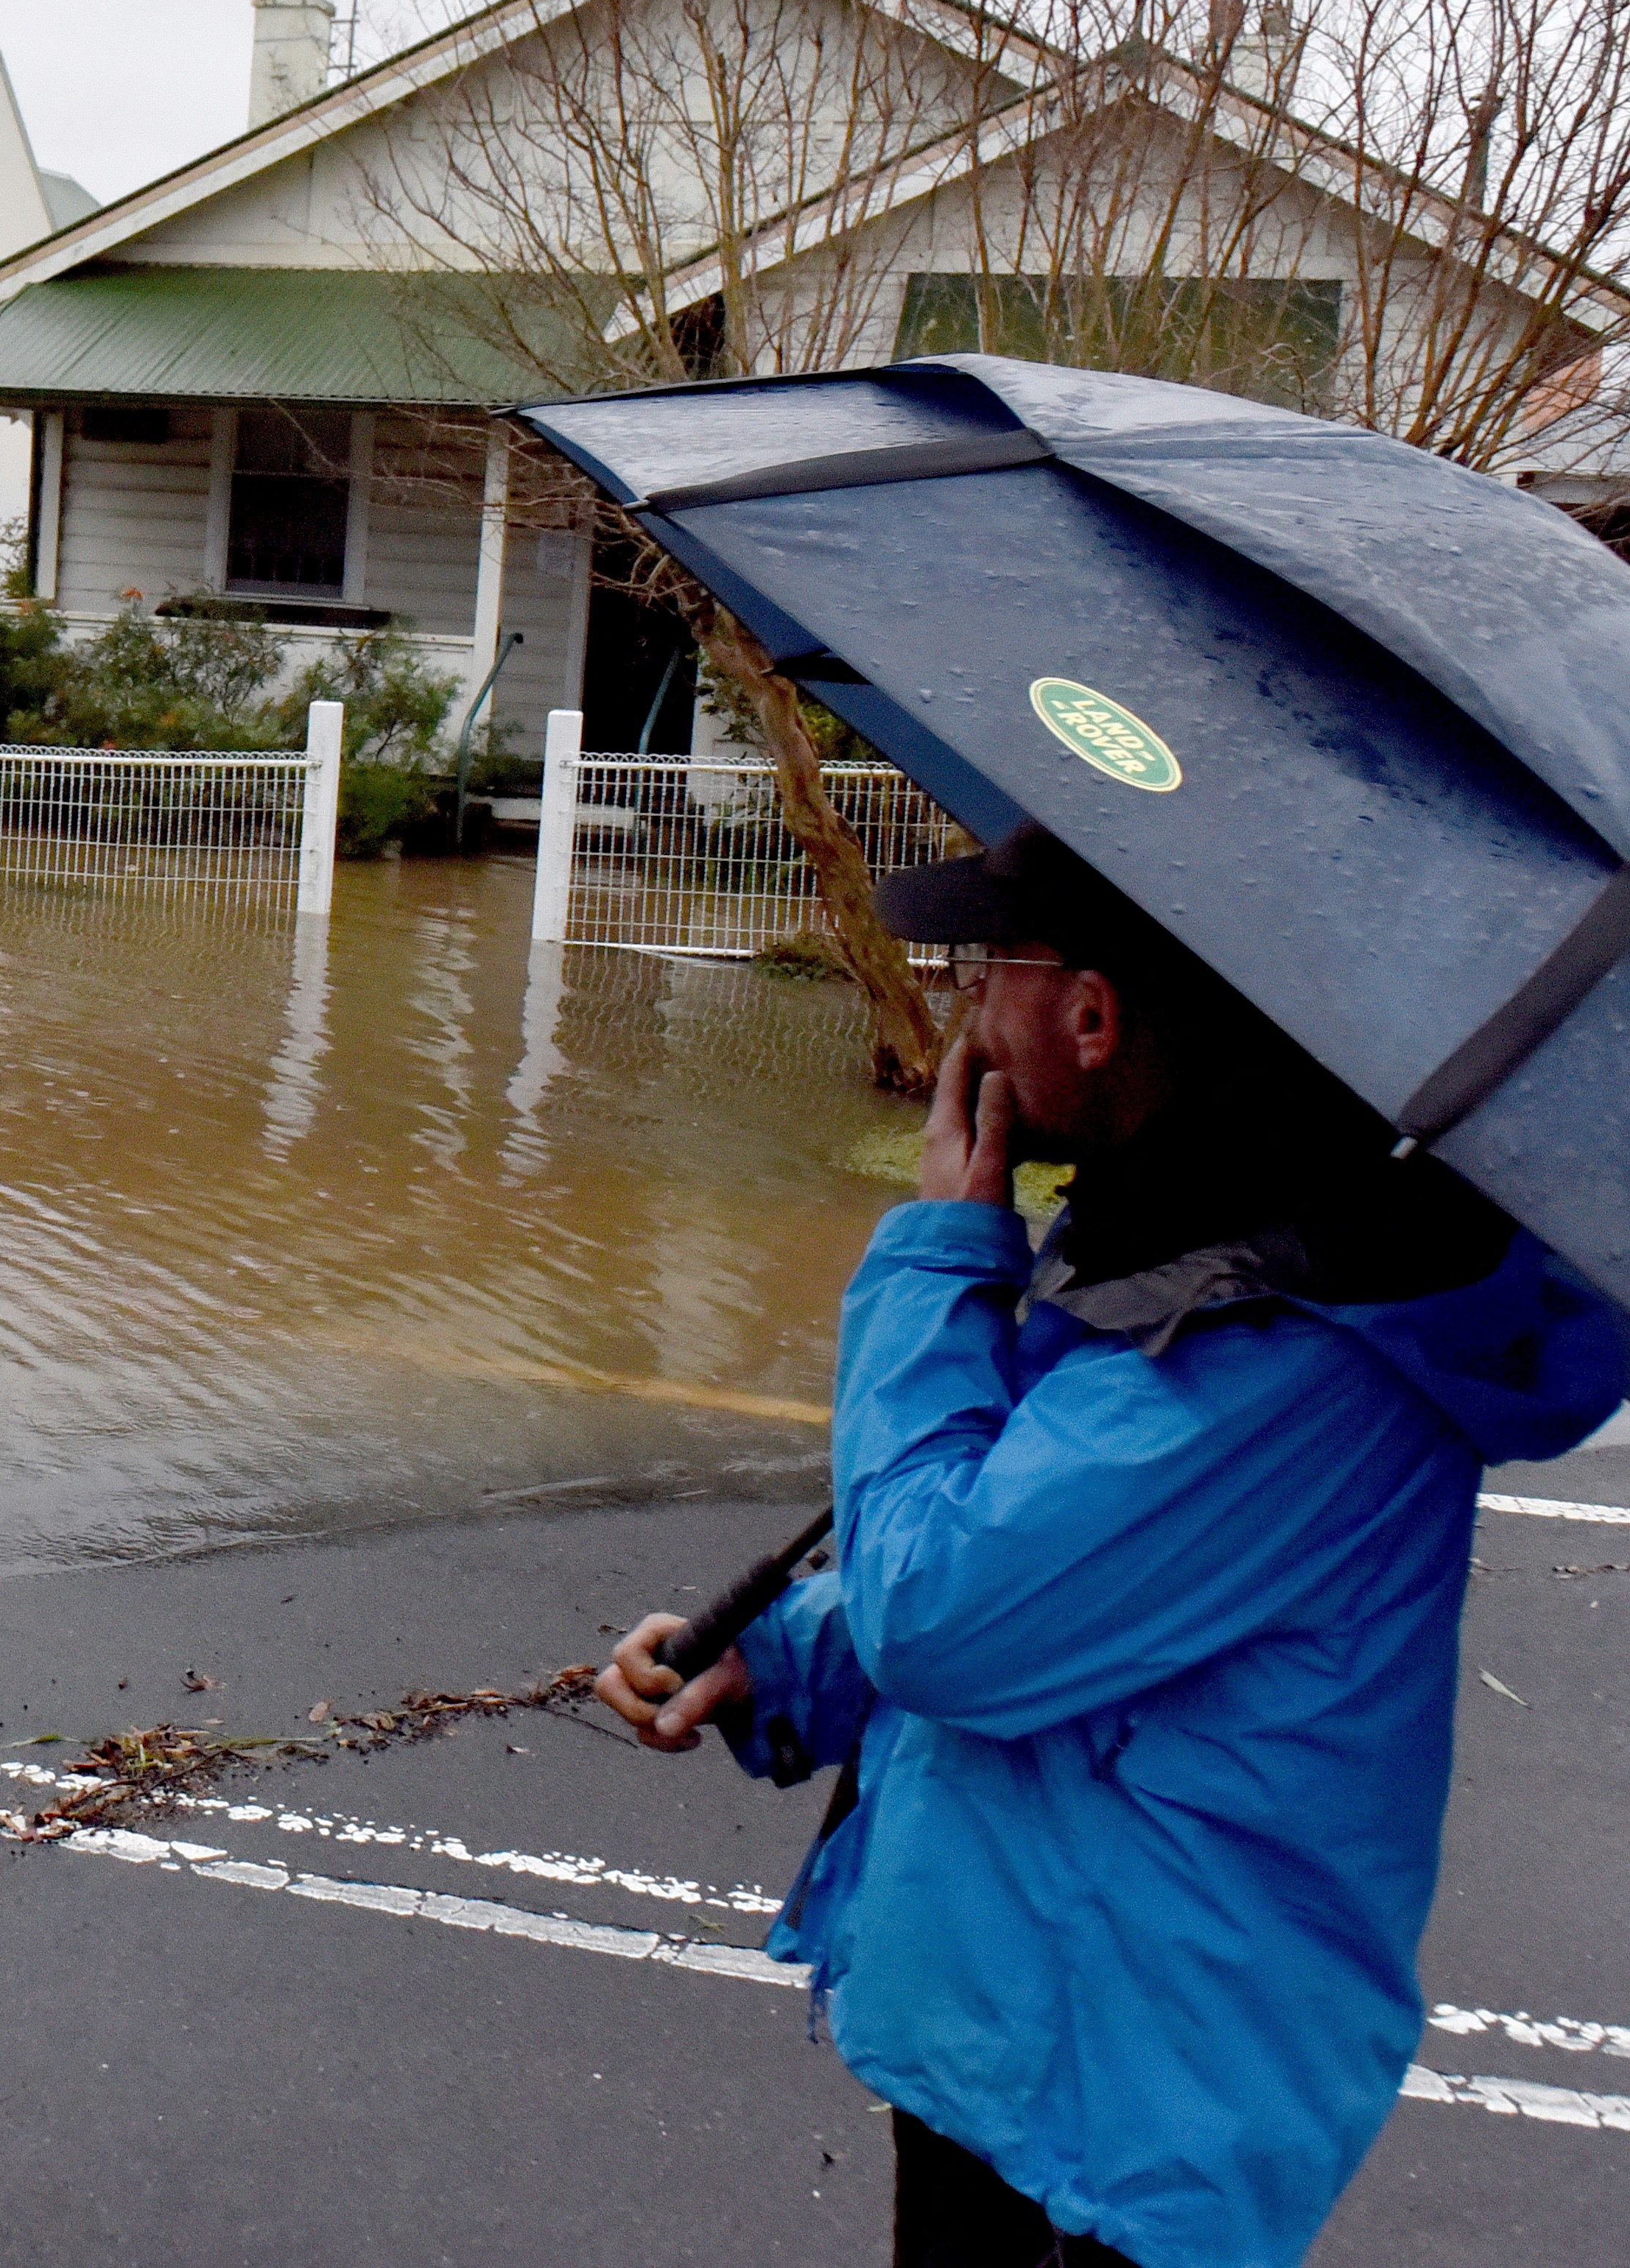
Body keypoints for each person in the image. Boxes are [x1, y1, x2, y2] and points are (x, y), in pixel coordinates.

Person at [596, 825, 1623, 2268]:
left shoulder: (1282, 1352)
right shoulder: (1175, 1236)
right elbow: (1055, 1561)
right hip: (1021, 2026)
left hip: (1123, 2106)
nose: (958, 1005)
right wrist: (780, 1659)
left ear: (1089, 1013)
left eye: (980, 969)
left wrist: (938, 1255)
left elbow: (950, 1614)